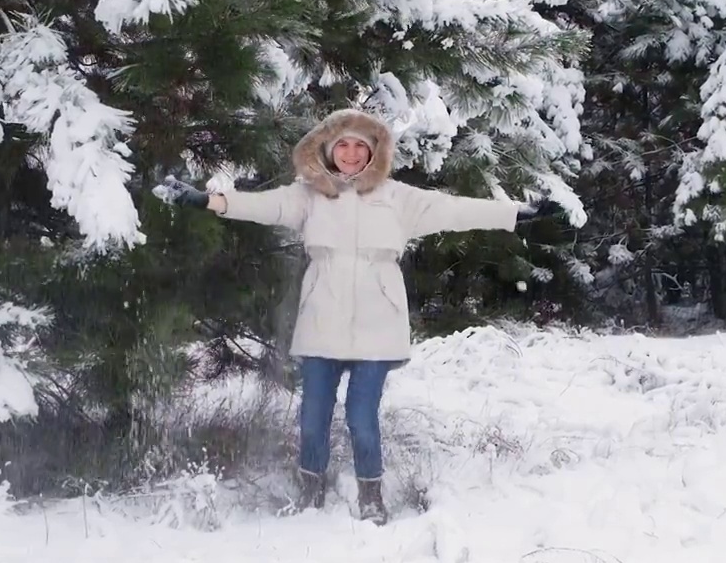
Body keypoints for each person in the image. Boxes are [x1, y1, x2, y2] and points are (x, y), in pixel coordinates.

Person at [158, 109, 560, 524]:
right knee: (312, 418)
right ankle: (310, 493)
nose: (351, 153)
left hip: (377, 327)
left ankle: (372, 497)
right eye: (343, 145)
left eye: (360, 146)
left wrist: (518, 214)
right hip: (321, 324)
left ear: (374, 152)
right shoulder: (308, 195)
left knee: (360, 418)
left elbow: (456, 210)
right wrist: (206, 200)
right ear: (329, 150)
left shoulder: (398, 198)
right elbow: (260, 205)